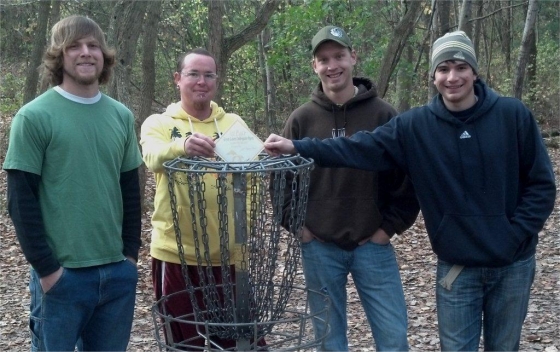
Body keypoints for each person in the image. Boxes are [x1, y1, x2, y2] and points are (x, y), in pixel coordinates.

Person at [264, 30, 556, 351]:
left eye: (460, 67)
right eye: (443, 69)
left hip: (513, 263)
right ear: (433, 77)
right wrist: (296, 146)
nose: (452, 77)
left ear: (474, 71)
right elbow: (358, 147)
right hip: (457, 266)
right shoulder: (416, 125)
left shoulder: (513, 115)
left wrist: (515, 235)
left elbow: (541, 185)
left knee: (503, 346)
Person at [3, 15, 143, 351]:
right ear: (58, 56)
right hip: (63, 277)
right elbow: (21, 201)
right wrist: (48, 271)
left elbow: (131, 190)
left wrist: (130, 257)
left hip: (116, 274)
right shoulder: (34, 116)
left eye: (93, 45)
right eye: (74, 46)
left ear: (104, 55)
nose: (86, 53)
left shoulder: (121, 116)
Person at [276, 25, 419, 351]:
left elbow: (408, 179)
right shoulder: (301, 120)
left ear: (353, 57)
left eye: (339, 55)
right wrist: (300, 229)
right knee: (329, 341)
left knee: (394, 339)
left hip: (373, 246)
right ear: (315, 66)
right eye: (323, 59)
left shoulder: (384, 115)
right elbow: (281, 182)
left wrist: (388, 228)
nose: (332, 65)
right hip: (319, 247)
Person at [141, 48, 263, 349]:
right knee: (186, 343)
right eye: (193, 73)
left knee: (242, 340)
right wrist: (183, 145)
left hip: (229, 256)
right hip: (176, 253)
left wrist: (242, 228)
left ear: (216, 81)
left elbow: (253, 178)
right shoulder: (158, 123)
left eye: (209, 75)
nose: (201, 81)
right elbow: (152, 157)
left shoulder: (233, 124)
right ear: (177, 79)